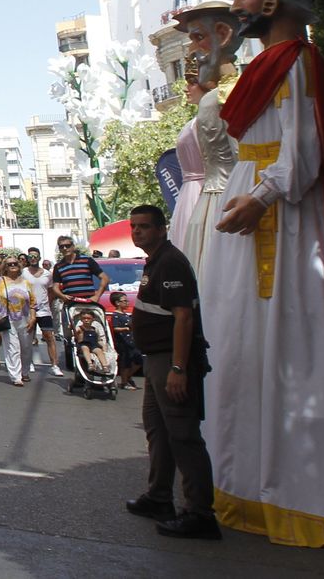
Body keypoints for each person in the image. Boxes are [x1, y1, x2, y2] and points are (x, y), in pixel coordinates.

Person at [204, 0, 324, 550]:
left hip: (280, 226)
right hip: (250, 216)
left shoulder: (297, 61)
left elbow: (302, 151)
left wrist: (262, 198)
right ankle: (249, 485)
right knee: (243, 352)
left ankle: (308, 495)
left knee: (293, 350)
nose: (238, 4)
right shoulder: (267, 64)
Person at [125, 205, 219, 540]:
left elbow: (184, 317)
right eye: (134, 226)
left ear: (162, 229)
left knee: (182, 434)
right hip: (156, 359)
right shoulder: (156, 260)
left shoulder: (170, 261)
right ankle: (159, 497)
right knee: (158, 430)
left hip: (171, 360)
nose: (137, 232)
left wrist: (178, 368)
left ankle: (200, 514)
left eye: (145, 227)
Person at [169, 3, 242, 274]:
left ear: (223, 35)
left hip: (223, 199)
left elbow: (243, 155)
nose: (192, 50)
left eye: (198, 38)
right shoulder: (214, 100)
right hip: (206, 201)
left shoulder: (224, 96)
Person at [0, 254, 35, 387]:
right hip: (7, 319)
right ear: (5, 267)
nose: (13, 265)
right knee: (12, 348)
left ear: (19, 266)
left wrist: (33, 317)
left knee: (26, 348)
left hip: (25, 318)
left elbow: (32, 303)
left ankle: (25, 372)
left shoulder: (26, 282)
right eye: (9, 264)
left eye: (15, 263)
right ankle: (16, 376)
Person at [24, 255, 64, 376]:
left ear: (39, 258)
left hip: (44, 310)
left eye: (35, 256)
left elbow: (51, 291)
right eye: (30, 256)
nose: (33, 258)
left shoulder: (47, 274)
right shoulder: (23, 272)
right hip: (28, 310)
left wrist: (48, 304)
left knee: (49, 336)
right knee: (28, 338)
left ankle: (54, 365)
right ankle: (28, 362)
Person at [108, 292, 142, 390]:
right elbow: (115, 328)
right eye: (125, 301)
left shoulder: (126, 315)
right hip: (123, 342)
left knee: (138, 360)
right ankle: (124, 382)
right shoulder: (116, 315)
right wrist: (126, 328)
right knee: (126, 362)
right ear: (117, 303)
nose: (127, 303)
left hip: (132, 341)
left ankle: (127, 377)